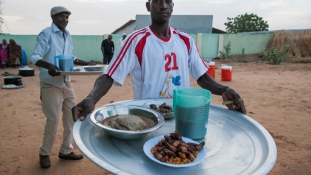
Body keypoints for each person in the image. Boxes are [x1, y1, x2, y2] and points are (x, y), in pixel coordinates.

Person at [72, 0, 246, 122]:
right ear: (148, 6)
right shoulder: (135, 41)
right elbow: (109, 75)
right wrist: (91, 98)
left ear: (172, 6)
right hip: (148, 118)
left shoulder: (186, 40)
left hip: (181, 116)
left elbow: (202, 76)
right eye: (157, 1)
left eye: (168, 1)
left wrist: (224, 89)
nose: (163, 5)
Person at [30, 6, 91, 169]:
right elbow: (35, 57)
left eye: (67, 17)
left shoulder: (67, 34)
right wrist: (49, 65)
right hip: (50, 84)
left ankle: (65, 150)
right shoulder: (46, 33)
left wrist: (83, 62)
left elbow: (69, 56)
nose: (65, 20)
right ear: (53, 17)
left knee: (72, 116)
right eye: (62, 17)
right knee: (53, 119)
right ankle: (44, 153)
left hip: (66, 82)